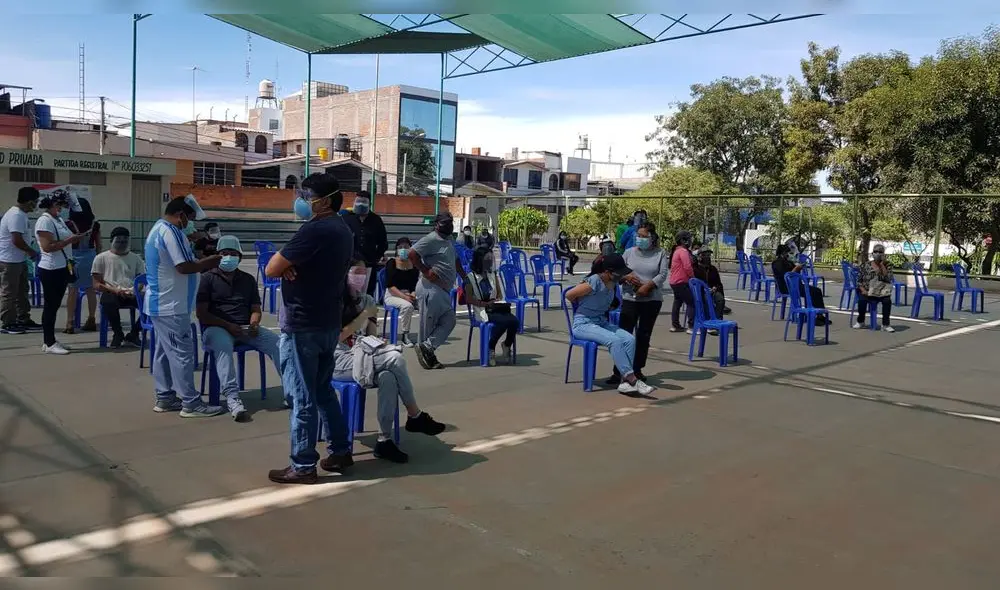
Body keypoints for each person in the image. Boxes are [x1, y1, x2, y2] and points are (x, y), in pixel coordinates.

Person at [265, 173, 355, 485]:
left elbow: (271, 267)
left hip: (303, 324)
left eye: (307, 196)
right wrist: (290, 265)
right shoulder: (342, 229)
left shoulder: (314, 230)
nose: (301, 202)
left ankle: (303, 464)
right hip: (328, 320)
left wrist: (287, 265)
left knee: (302, 395)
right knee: (322, 391)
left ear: (325, 200)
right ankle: (341, 450)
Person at [332, 273, 447, 463]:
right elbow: (337, 338)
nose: (359, 278)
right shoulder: (334, 301)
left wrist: (376, 337)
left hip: (363, 354)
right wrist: (363, 316)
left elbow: (371, 335)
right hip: (340, 360)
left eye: (363, 273)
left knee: (388, 376)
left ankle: (384, 440)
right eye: (355, 273)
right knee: (395, 358)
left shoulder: (367, 300)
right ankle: (415, 415)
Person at [145, 195, 224, 416]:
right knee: (182, 354)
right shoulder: (171, 231)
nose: (190, 223)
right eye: (189, 218)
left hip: (164, 303)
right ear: (180, 216)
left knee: (163, 353)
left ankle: (165, 397)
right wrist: (213, 261)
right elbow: (184, 267)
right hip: (171, 304)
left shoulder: (162, 229)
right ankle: (191, 402)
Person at [197, 235, 281, 421]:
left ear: (240, 257)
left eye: (232, 253)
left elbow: (255, 309)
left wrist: (253, 324)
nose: (228, 257)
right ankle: (233, 398)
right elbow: (202, 314)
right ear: (217, 256)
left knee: (278, 344)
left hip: (244, 327)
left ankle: (292, 392)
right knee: (223, 349)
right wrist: (228, 325)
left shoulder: (247, 280)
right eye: (224, 253)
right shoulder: (207, 279)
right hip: (216, 327)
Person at [565, 254, 654, 396]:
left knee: (629, 339)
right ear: (608, 271)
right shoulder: (594, 281)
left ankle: (624, 382)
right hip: (583, 324)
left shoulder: (613, 283)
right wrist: (580, 305)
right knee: (614, 340)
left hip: (600, 322)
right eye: (619, 273)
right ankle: (632, 379)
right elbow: (569, 295)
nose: (621, 276)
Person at [408, 211, 467, 371]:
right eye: (445, 222)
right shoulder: (430, 239)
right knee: (427, 326)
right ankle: (429, 357)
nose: (449, 225)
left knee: (449, 320)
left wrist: (464, 277)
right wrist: (426, 271)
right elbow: (412, 254)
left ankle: (427, 347)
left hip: (443, 290)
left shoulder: (449, 240)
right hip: (430, 288)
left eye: (450, 222)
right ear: (437, 224)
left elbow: (454, 260)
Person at [612, 222, 668, 383]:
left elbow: (663, 274)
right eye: (638, 236)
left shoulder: (660, 253)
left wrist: (648, 286)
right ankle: (619, 371)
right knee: (624, 335)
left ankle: (637, 369)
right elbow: (617, 271)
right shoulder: (629, 253)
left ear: (652, 238)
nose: (640, 239)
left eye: (644, 236)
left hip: (651, 300)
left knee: (643, 335)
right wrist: (626, 277)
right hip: (630, 299)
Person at [33, 192, 87, 355]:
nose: (61, 209)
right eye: (59, 206)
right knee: (50, 305)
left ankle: (50, 340)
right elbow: (47, 246)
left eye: (63, 206)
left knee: (55, 305)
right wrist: (69, 241)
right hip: (50, 269)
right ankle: (49, 342)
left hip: (62, 267)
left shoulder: (58, 220)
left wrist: (75, 237)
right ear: (50, 205)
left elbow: (64, 238)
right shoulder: (44, 221)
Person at [464, 246, 519, 366]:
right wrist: (484, 304)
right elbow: (468, 298)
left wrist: (497, 300)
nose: (489, 261)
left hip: (495, 307)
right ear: (480, 260)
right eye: (487, 259)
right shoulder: (470, 278)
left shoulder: (493, 274)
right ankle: (491, 347)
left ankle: (506, 344)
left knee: (514, 322)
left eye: (491, 258)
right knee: (503, 322)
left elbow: (499, 293)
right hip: (482, 309)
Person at [91, 226, 144, 348]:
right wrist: (114, 290)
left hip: (131, 292)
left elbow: (141, 280)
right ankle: (118, 334)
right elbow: (96, 284)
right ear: (112, 241)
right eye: (119, 241)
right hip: (111, 292)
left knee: (151, 302)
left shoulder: (136, 258)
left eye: (125, 241)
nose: (122, 243)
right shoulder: (101, 258)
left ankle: (134, 333)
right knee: (108, 301)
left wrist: (135, 290)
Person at [0, 187, 41, 335]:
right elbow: (16, 240)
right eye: (35, 202)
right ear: (29, 202)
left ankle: (23, 318)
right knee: (9, 292)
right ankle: (7, 322)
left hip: (19, 259)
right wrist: (31, 252)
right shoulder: (16, 215)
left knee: (22, 291)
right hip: (9, 260)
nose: (36, 205)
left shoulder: (22, 215)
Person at [342, 190, 388, 299]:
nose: (360, 205)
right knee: (349, 294)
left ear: (369, 204)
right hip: (349, 264)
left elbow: (383, 243)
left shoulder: (376, 220)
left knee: (367, 295)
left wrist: (375, 258)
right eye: (358, 202)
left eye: (363, 202)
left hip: (369, 264)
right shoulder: (346, 219)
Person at [772, 243, 829, 325]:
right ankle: (813, 316)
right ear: (782, 253)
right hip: (786, 286)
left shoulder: (788, 262)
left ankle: (819, 315)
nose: (788, 254)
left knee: (817, 291)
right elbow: (787, 276)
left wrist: (799, 267)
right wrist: (796, 268)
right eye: (787, 253)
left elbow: (795, 272)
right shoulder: (777, 263)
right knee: (811, 292)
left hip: (795, 285)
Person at [383, 237, 420, 347]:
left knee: (426, 303)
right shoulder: (391, 263)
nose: (403, 249)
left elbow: (414, 285)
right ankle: (405, 336)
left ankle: (425, 335)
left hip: (408, 294)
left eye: (406, 247)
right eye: (400, 247)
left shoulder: (413, 265)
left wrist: (413, 294)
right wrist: (405, 297)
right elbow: (390, 286)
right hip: (393, 295)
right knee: (408, 306)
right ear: (397, 249)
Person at [853, 244, 895, 332]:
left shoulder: (888, 265)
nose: (878, 254)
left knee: (887, 301)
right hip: (867, 290)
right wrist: (863, 290)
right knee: (862, 301)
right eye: (876, 251)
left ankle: (885, 324)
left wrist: (882, 265)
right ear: (872, 253)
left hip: (881, 291)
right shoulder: (865, 265)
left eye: (880, 252)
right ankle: (861, 321)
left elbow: (888, 278)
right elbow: (859, 280)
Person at [668, 230, 696, 333]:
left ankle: (675, 325)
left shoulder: (677, 250)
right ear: (684, 240)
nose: (690, 241)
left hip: (674, 281)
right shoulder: (683, 252)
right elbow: (687, 267)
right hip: (681, 281)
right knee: (691, 302)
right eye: (689, 239)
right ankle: (691, 326)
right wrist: (693, 277)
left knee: (677, 302)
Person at [692, 247, 730, 321]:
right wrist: (704, 289)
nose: (707, 257)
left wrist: (715, 288)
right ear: (699, 257)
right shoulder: (695, 269)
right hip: (701, 292)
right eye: (705, 255)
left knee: (720, 299)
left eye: (709, 255)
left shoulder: (713, 269)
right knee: (706, 300)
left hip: (712, 291)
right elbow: (693, 283)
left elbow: (718, 283)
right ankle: (707, 321)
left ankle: (717, 320)